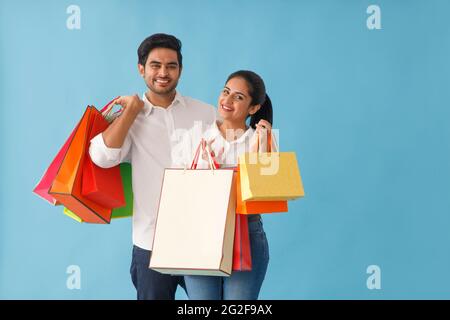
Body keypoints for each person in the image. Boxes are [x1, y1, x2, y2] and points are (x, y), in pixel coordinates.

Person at [88, 33, 216, 300]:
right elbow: (101, 156)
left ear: (180, 70)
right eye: (155, 65)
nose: (163, 72)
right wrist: (132, 112)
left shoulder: (205, 113)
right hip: (151, 242)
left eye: (171, 65)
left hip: (201, 237)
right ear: (141, 69)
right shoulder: (129, 116)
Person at [174, 70, 272, 300]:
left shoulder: (262, 139)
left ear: (254, 108)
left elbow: (264, 197)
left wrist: (260, 149)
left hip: (246, 232)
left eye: (238, 97)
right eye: (225, 92)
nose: (227, 101)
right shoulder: (195, 136)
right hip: (200, 232)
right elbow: (178, 190)